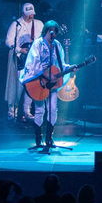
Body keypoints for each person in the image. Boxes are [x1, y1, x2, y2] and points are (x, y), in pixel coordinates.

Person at [19, 20, 65, 148]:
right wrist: (45, 74)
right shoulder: (37, 44)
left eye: (55, 31)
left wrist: (69, 68)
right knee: (40, 109)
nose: (53, 34)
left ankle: (49, 137)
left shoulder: (57, 45)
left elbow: (61, 63)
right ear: (46, 31)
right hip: (39, 81)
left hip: (52, 83)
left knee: (53, 109)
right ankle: (38, 137)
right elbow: (33, 63)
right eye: (51, 31)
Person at [5, 2, 42, 120]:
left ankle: (27, 111)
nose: (31, 16)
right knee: (17, 85)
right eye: (28, 14)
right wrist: (20, 49)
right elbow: (8, 41)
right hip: (19, 59)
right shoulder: (16, 25)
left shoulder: (39, 24)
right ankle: (12, 111)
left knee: (31, 84)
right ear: (23, 13)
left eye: (32, 14)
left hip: (34, 60)